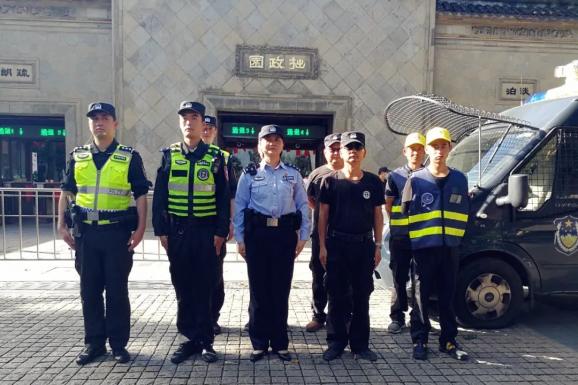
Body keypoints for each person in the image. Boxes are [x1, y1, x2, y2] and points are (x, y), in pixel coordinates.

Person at [57, 102, 149, 365]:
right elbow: (66, 191)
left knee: (117, 291)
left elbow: (141, 194)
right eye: (94, 118)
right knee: (90, 291)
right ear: (89, 124)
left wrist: (141, 228)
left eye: (105, 117)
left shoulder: (129, 156)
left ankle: (118, 344)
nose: (99, 122)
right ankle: (94, 343)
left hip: (116, 234)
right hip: (86, 235)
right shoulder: (78, 156)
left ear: (115, 123)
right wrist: (61, 225)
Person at [152, 101, 230, 364]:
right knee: (183, 285)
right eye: (184, 117)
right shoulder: (169, 155)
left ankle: (206, 340)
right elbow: (159, 195)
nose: (189, 122)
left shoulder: (216, 157)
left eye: (194, 117)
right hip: (178, 232)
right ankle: (189, 339)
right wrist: (161, 230)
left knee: (206, 285)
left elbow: (223, 198)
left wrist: (221, 231)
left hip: (207, 232)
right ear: (180, 123)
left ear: (202, 122)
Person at [233, 124, 310, 362]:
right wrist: (240, 237)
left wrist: (303, 235)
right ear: (259, 145)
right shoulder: (250, 173)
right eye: (267, 139)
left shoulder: (293, 174)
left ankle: (279, 342)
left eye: (277, 139)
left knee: (280, 289)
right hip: (258, 236)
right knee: (259, 290)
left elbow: (303, 205)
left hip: (284, 236)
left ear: (282, 146)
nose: (272, 143)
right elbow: (240, 206)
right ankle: (258, 342)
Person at [401, 127, 470, 361]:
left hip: (450, 249)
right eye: (434, 146)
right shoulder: (416, 180)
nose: (439, 150)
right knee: (420, 296)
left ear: (450, 147)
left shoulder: (460, 179)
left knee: (448, 296)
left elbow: (464, 212)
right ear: (427, 149)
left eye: (443, 145)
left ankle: (449, 341)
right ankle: (420, 340)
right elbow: (404, 212)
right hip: (423, 250)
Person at [318, 131, 384, 362]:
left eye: (357, 147)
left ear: (364, 152)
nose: (353, 152)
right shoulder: (330, 181)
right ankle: (336, 343)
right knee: (336, 296)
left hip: (363, 246)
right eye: (349, 148)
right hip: (337, 245)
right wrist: (322, 246)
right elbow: (322, 216)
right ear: (342, 152)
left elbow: (378, 215)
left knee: (362, 296)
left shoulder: (373, 182)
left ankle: (360, 345)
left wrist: (378, 245)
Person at [384, 132, 425, 334]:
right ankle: (397, 317)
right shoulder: (395, 176)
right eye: (412, 149)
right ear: (405, 151)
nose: (416, 152)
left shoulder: (429, 175)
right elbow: (389, 205)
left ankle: (418, 318)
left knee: (420, 279)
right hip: (400, 235)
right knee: (398, 277)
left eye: (419, 148)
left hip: (422, 236)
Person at [201, 115, 238, 336]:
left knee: (215, 275)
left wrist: (231, 222)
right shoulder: (177, 154)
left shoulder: (224, 158)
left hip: (215, 226)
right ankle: (192, 318)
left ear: (215, 132)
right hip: (187, 228)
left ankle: (213, 317)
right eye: (203, 127)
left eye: (210, 128)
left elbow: (230, 193)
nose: (206, 131)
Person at [304, 133, 343, 332]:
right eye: (332, 149)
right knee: (318, 274)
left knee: (343, 276)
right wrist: (320, 212)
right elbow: (309, 199)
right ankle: (318, 314)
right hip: (320, 233)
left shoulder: (351, 173)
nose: (335, 152)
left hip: (344, 233)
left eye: (339, 148)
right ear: (325, 151)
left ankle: (343, 315)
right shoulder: (317, 174)